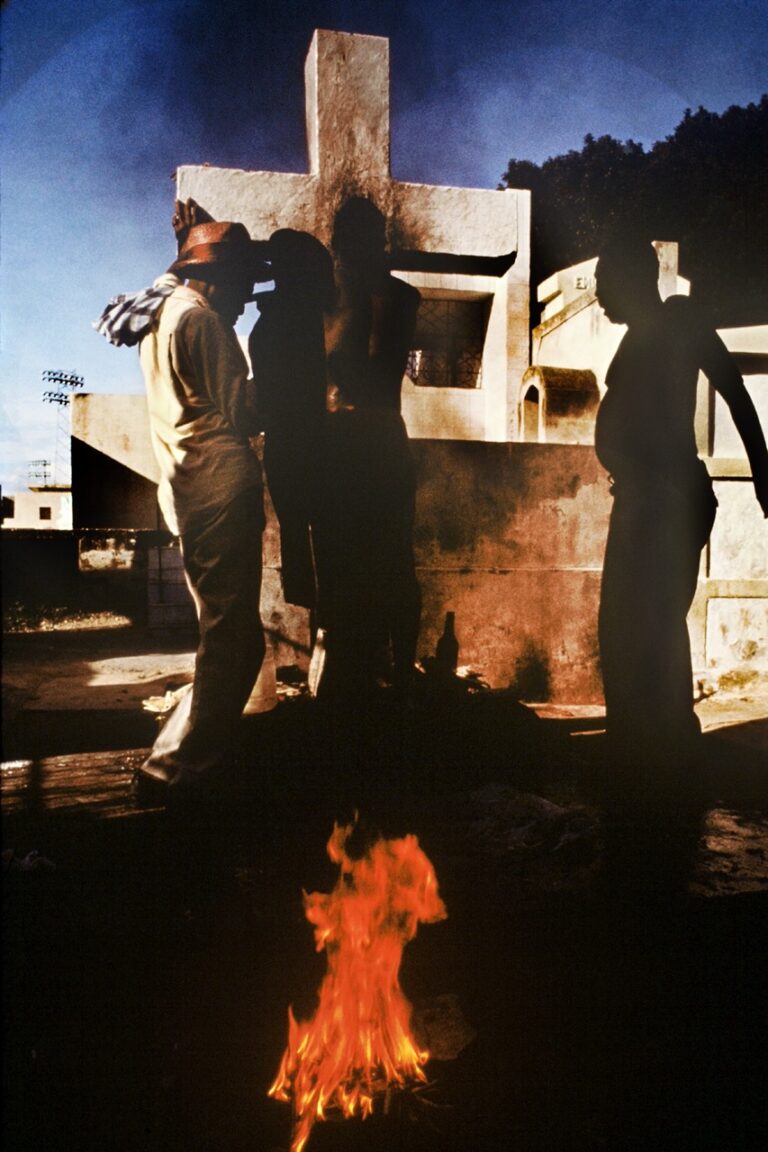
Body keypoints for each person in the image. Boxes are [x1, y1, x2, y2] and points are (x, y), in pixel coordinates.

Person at [97, 201, 271, 804]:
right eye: (243, 285)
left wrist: (190, 234)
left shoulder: (161, 312)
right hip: (222, 488)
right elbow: (244, 413)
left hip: (188, 495)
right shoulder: (203, 322)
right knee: (235, 641)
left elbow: (172, 276)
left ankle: (185, 761)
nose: (247, 300)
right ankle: (177, 769)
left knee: (224, 636)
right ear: (214, 279)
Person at [594, 237, 768, 791]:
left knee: (650, 624)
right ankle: (643, 746)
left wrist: (764, 477)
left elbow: (737, 393)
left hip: (667, 497)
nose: (597, 292)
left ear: (632, 278)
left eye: (604, 279)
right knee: (627, 625)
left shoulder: (680, 319)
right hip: (642, 497)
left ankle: (662, 753)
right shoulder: (636, 338)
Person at [320, 196, 422, 700]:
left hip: (369, 445)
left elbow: (367, 371)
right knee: (350, 571)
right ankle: (357, 676)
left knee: (391, 568)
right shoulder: (337, 297)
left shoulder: (391, 298)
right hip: (354, 449)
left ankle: (397, 677)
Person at [248, 230, 336, 613]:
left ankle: (326, 638)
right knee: (328, 558)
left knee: (308, 551)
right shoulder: (309, 323)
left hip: (288, 448)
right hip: (313, 448)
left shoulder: (270, 325)